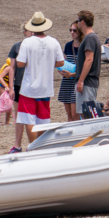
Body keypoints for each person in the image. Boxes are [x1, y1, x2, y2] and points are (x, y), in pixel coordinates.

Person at [13, 12, 65, 153]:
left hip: (29, 87)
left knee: (29, 120)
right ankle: (41, 147)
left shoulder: (27, 42)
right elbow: (61, 62)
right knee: (43, 120)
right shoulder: (54, 42)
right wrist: (47, 63)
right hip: (45, 86)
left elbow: (20, 64)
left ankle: (33, 147)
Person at [71, 10, 101, 116]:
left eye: (78, 21)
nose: (77, 23)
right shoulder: (92, 37)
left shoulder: (90, 38)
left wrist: (81, 81)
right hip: (89, 82)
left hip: (88, 83)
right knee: (86, 114)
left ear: (82, 22)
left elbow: (89, 59)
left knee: (87, 115)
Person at [58, 21, 82, 121]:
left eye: (74, 30)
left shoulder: (84, 45)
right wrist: (61, 70)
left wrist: (72, 74)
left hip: (77, 80)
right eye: (70, 30)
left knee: (75, 113)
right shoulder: (68, 45)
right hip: (67, 81)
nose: (72, 32)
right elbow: (63, 62)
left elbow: (87, 67)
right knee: (69, 113)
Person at [8, 28, 33, 101]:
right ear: (24, 32)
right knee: (18, 111)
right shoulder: (17, 46)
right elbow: (12, 68)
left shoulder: (37, 46)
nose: (32, 33)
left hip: (33, 83)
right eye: (30, 31)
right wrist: (11, 88)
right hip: (19, 83)